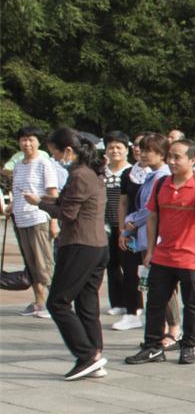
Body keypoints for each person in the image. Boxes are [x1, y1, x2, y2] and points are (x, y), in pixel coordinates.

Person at [124, 138, 195, 365]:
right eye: (170, 157)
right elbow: (153, 217)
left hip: (191, 257)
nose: (172, 161)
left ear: (193, 160)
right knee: (155, 302)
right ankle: (153, 346)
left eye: (178, 157)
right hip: (163, 255)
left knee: (192, 304)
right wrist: (150, 251)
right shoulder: (161, 183)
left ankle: (188, 346)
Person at [40, 128, 111, 380]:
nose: (56, 158)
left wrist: (39, 204)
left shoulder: (80, 174)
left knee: (57, 302)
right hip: (97, 246)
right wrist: (47, 200)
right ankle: (95, 355)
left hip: (81, 245)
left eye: (56, 153)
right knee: (86, 302)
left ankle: (86, 355)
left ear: (69, 150)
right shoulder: (91, 172)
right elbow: (70, 205)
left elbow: (68, 214)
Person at [114, 134, 168, 334]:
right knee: (149, 282)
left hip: (157, 236)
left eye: (148, 150)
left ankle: (170, 330)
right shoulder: (146, 174)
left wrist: (131, 222)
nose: (142, 153)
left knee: (162, 286)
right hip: (144, 235)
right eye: (140, 148)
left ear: (161, 154)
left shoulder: (162, 176)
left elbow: (150, 208)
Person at [10, 125, 61, 317]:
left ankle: (55, 303)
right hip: (20, 219)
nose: (27, 143)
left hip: (39, 218)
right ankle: (39, 302)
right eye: (23, 139)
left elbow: (53, 194)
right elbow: (18, 190)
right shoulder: (18, 165)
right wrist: (11, 207)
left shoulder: (44, 163)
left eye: (31, 139)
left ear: (39, 142)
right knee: (31, 264)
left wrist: (54, 221)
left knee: (44, 263)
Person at [100, 133, 138, 318]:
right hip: (106, 225)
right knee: (111, 264)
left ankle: (135, 304)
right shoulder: (101, 172)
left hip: (127, 226)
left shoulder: (132, 172)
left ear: (126, 150)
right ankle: (117, 302)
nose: (115, 151)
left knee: (130, 266)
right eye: (111, 147)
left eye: (119, 147)